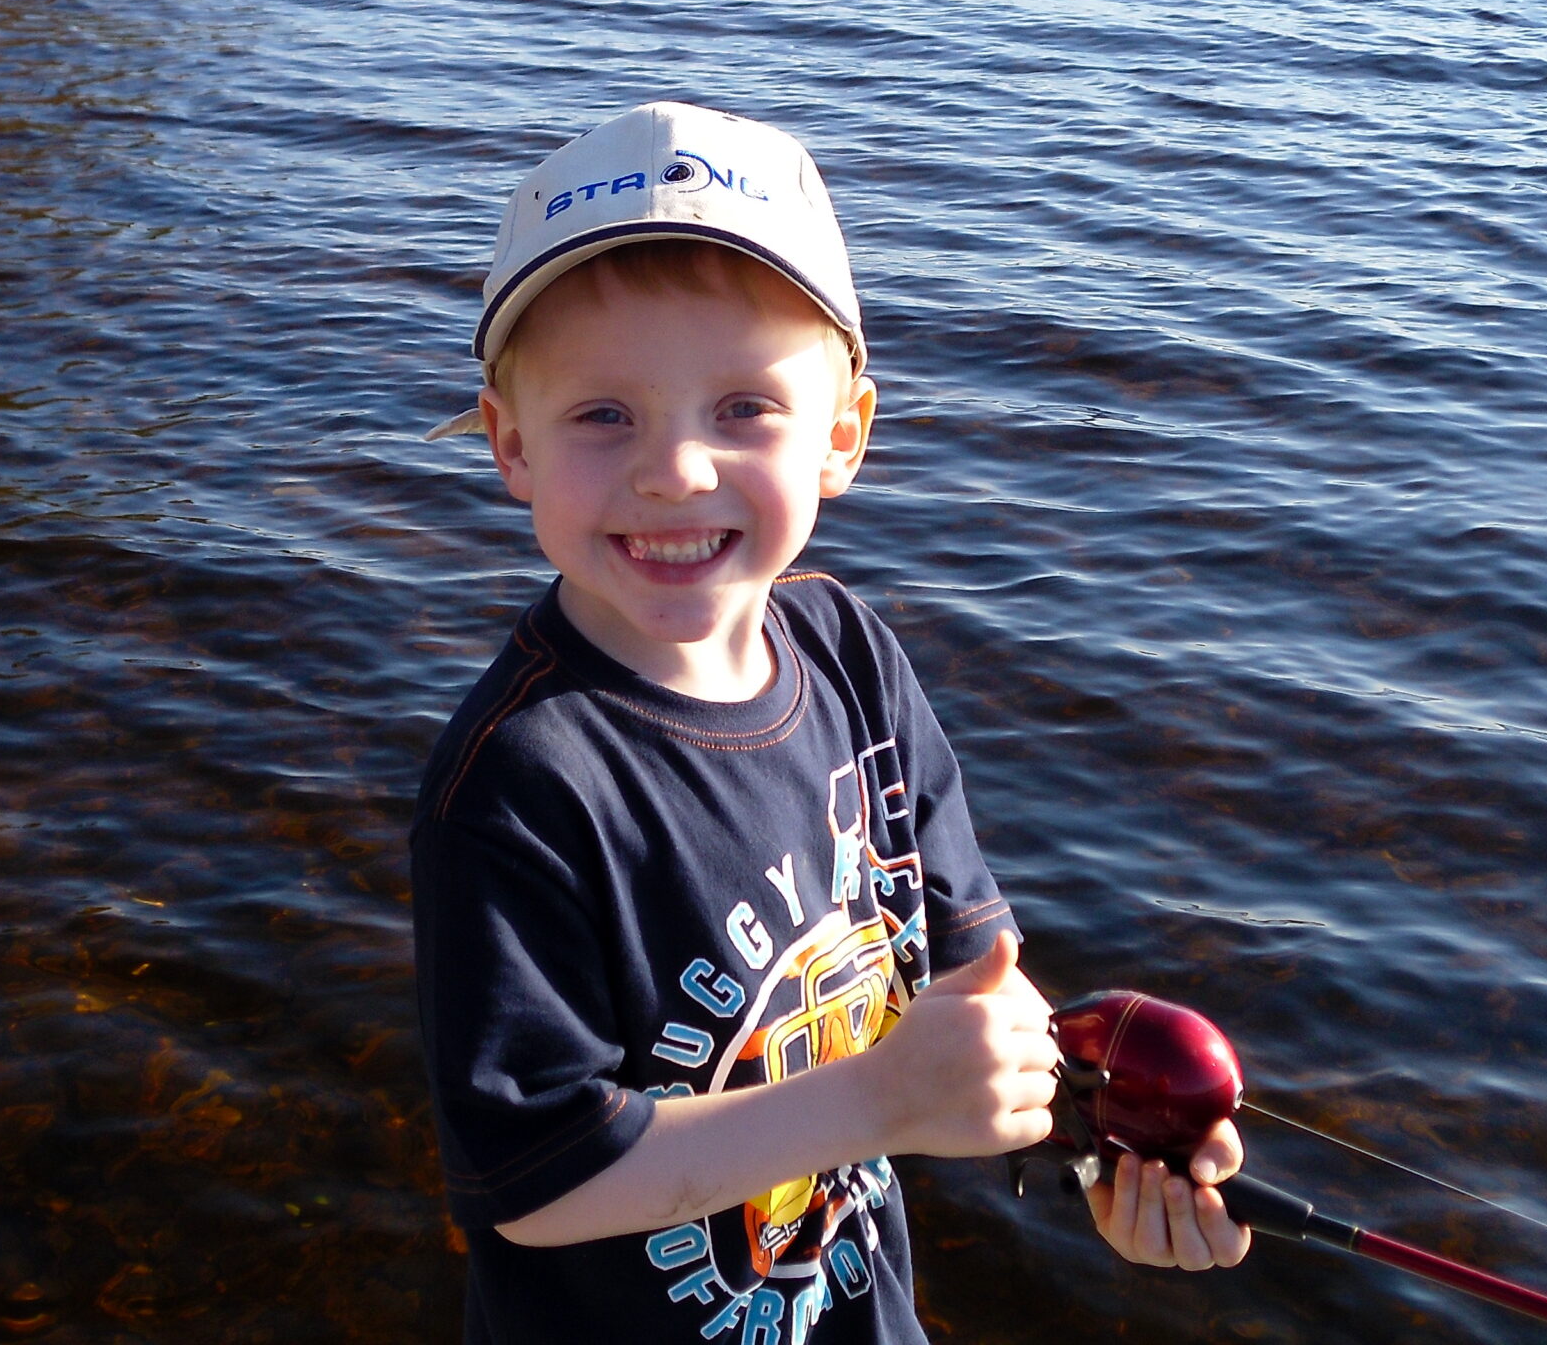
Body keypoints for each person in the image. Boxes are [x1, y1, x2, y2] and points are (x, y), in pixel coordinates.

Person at [412, 101, 1246, 1344]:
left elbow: (973, 981)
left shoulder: (852, 655)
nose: (675, 470)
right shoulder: (522, 783)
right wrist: (876, 1106)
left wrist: (1093, 1141)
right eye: (603, 415)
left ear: (842, 436)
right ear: (509, 442)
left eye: (742, 408)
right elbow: (537, 1182)